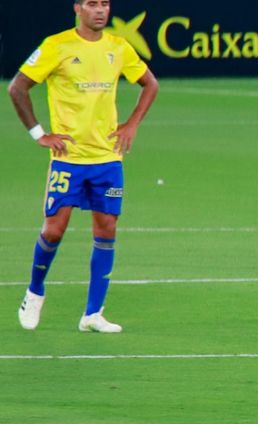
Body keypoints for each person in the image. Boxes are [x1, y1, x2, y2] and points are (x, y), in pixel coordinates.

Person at [10, 0, 159, 333]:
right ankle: (35, 292)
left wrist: (132, 124)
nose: (100, 10)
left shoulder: (119, 47)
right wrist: (39, 134)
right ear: (78, 8)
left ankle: (93, 313)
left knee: (106, 229)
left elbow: (150, 83)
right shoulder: (56, 45)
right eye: (92, 3)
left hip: (107, 159)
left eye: (105, 3)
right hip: (69, 159)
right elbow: (17, 87)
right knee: (54, 230)